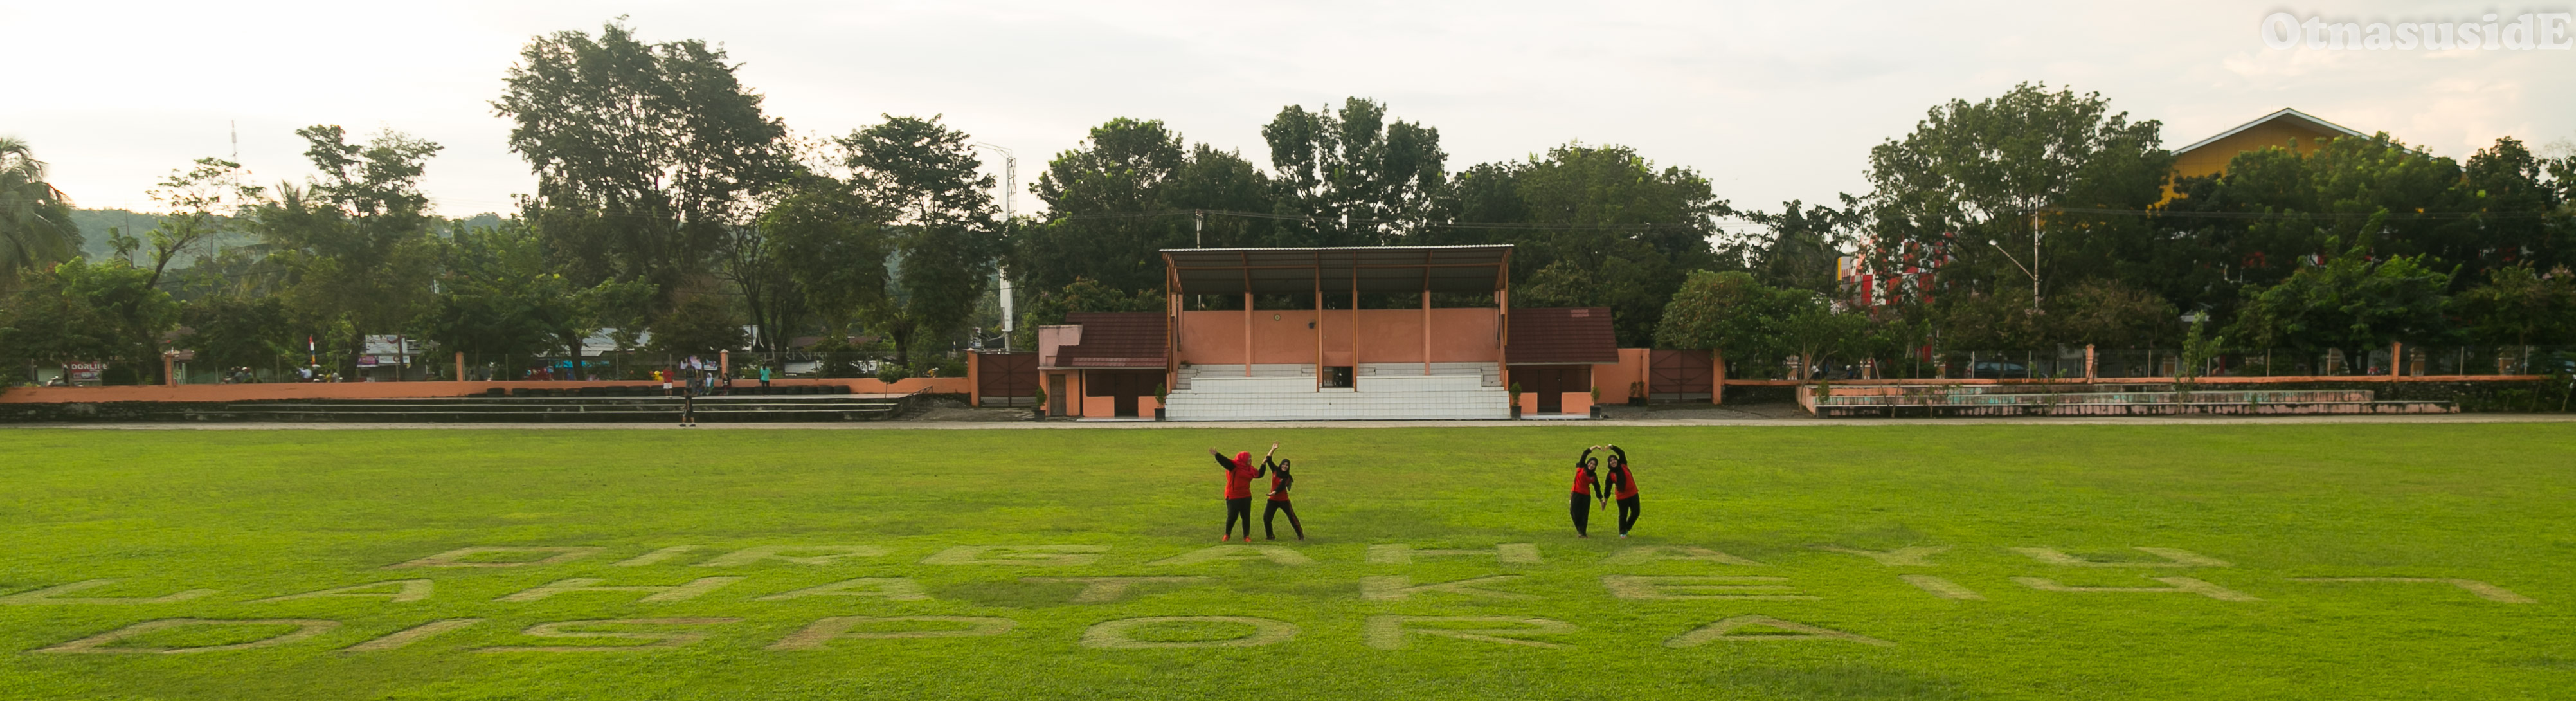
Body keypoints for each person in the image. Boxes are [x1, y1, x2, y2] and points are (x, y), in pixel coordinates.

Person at [1207, 444, 1272, 542]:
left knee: (1246, 517)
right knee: (1232, 517)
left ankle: (1246, 536)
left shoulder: (1250, 469)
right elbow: (1225, 462)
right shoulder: (1234, 467)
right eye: (1249, 458)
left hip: (1246, 496)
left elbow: (1259, 475)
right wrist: (1217, 455)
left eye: (1251, 458)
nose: (1250, 460)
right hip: (1233, 496)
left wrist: (1263, 465)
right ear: (1243, 459)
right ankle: (1227, 534)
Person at [1263, 455, 1304, 540]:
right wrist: (1273, 449)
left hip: (1283, 501)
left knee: (1292, 518)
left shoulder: (1288, 477)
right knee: (1267, 518)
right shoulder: (1275, 470)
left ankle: (1301, 536)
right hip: (1273, 500)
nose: (1285, 467)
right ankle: (1270, 536)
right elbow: (1268, 460)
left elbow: (1282, 486)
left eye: (1287, 465)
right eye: (1284, 465)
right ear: (1281, 465)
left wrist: (1274, 492)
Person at [1603, 444, 1641, 537]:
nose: (1613, 462)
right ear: (1609, 464)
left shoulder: (1623, 465)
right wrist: (1605, 500)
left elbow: (1622, 453)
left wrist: (1612, 447)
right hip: (1622, 497)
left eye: (1614, 460)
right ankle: (1622, 532)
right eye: (1611, 461)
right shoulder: (1611, 475)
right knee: (1623, 515)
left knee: (1636, 512)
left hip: (1633, 493)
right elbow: (1607, 488)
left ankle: (1627, 528)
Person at [1570, 446, 1605, 537]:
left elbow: (1597, 488)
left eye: (1594, 464)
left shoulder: (1593, 476)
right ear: (1588, 463)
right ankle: (1580, 530)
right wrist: (1595, 447)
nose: (1591, 465)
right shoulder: (1581, 467)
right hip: (1576, 494)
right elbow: (1585, 454)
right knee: (1573, 512)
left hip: (1586, 496)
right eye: (1590, 463)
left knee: (1584, 515)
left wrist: (1601, 500)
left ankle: (1582, 533)